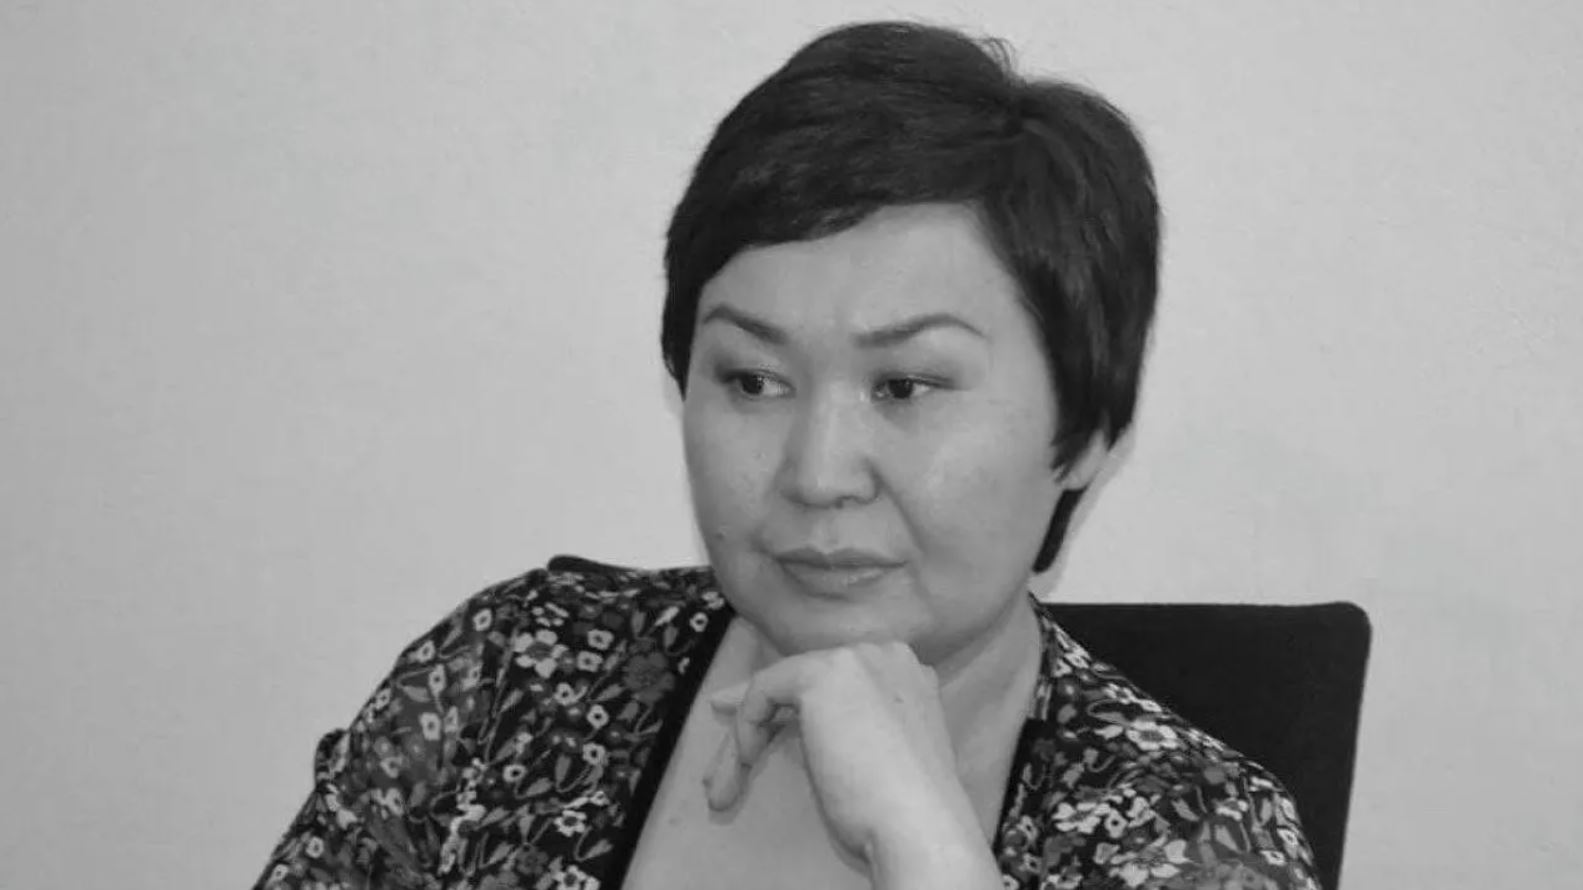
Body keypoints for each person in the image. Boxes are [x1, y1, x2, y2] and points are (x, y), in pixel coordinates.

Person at [255, 20, 1319, 890]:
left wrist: (931, 857)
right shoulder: (509, 678)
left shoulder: (1196, 838)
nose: (816, 474)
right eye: (752, 381)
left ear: (1084, 433)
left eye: (904, 386)